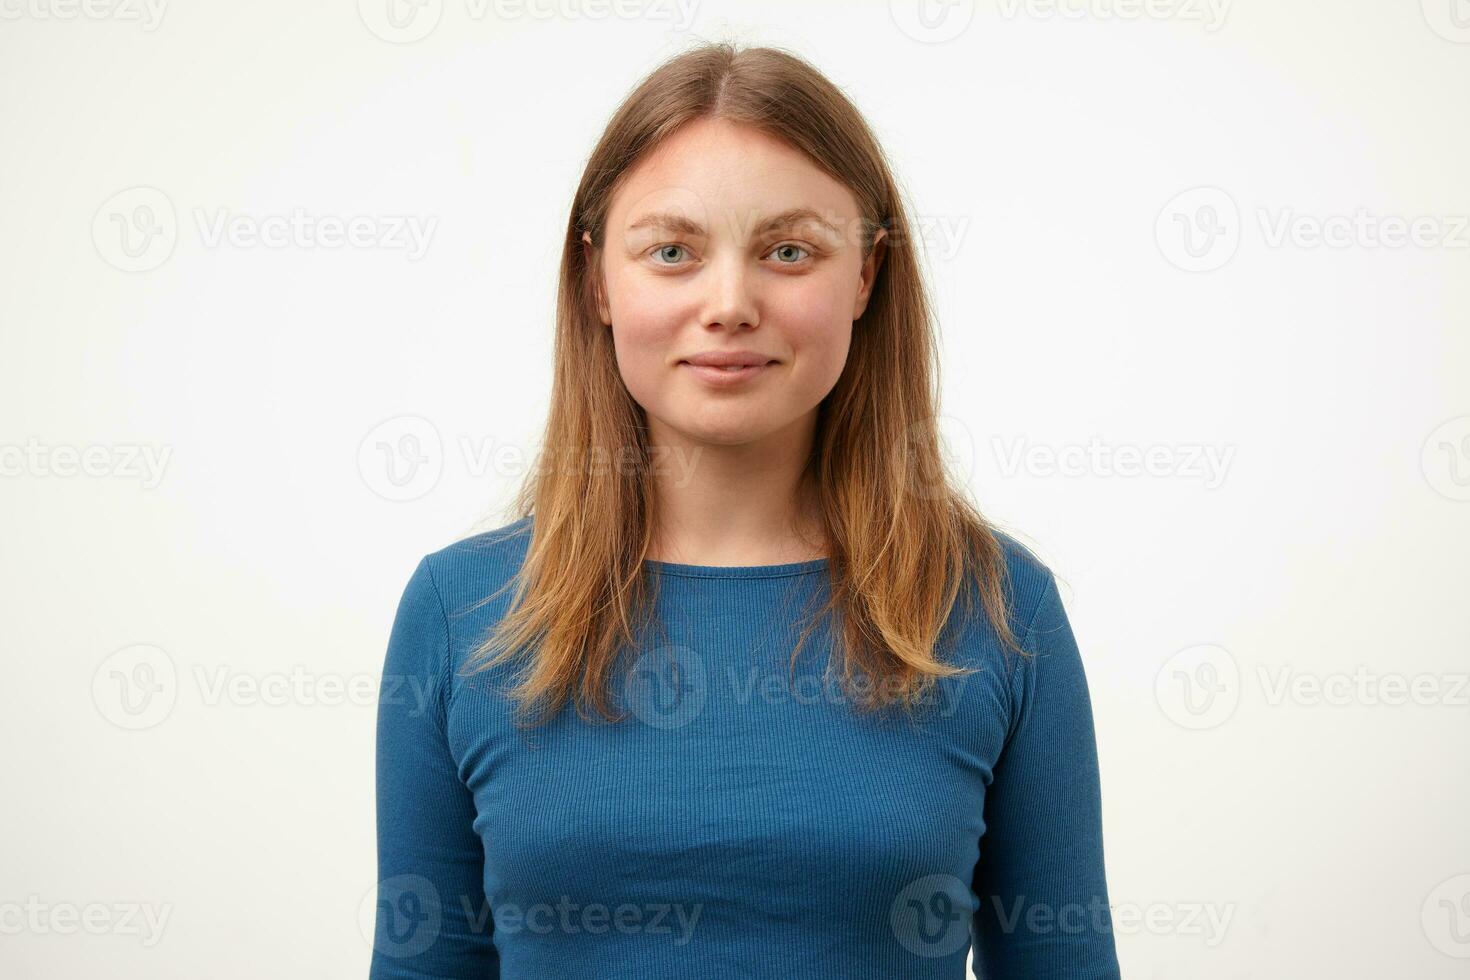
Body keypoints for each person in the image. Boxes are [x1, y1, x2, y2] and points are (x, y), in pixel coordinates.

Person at [371, 41, 1120, 979]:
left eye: (788, 251)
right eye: (673, 251)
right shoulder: (460, 610)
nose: (729, 304)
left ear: (866, 276)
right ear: (598, 279)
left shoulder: (1000, 610)